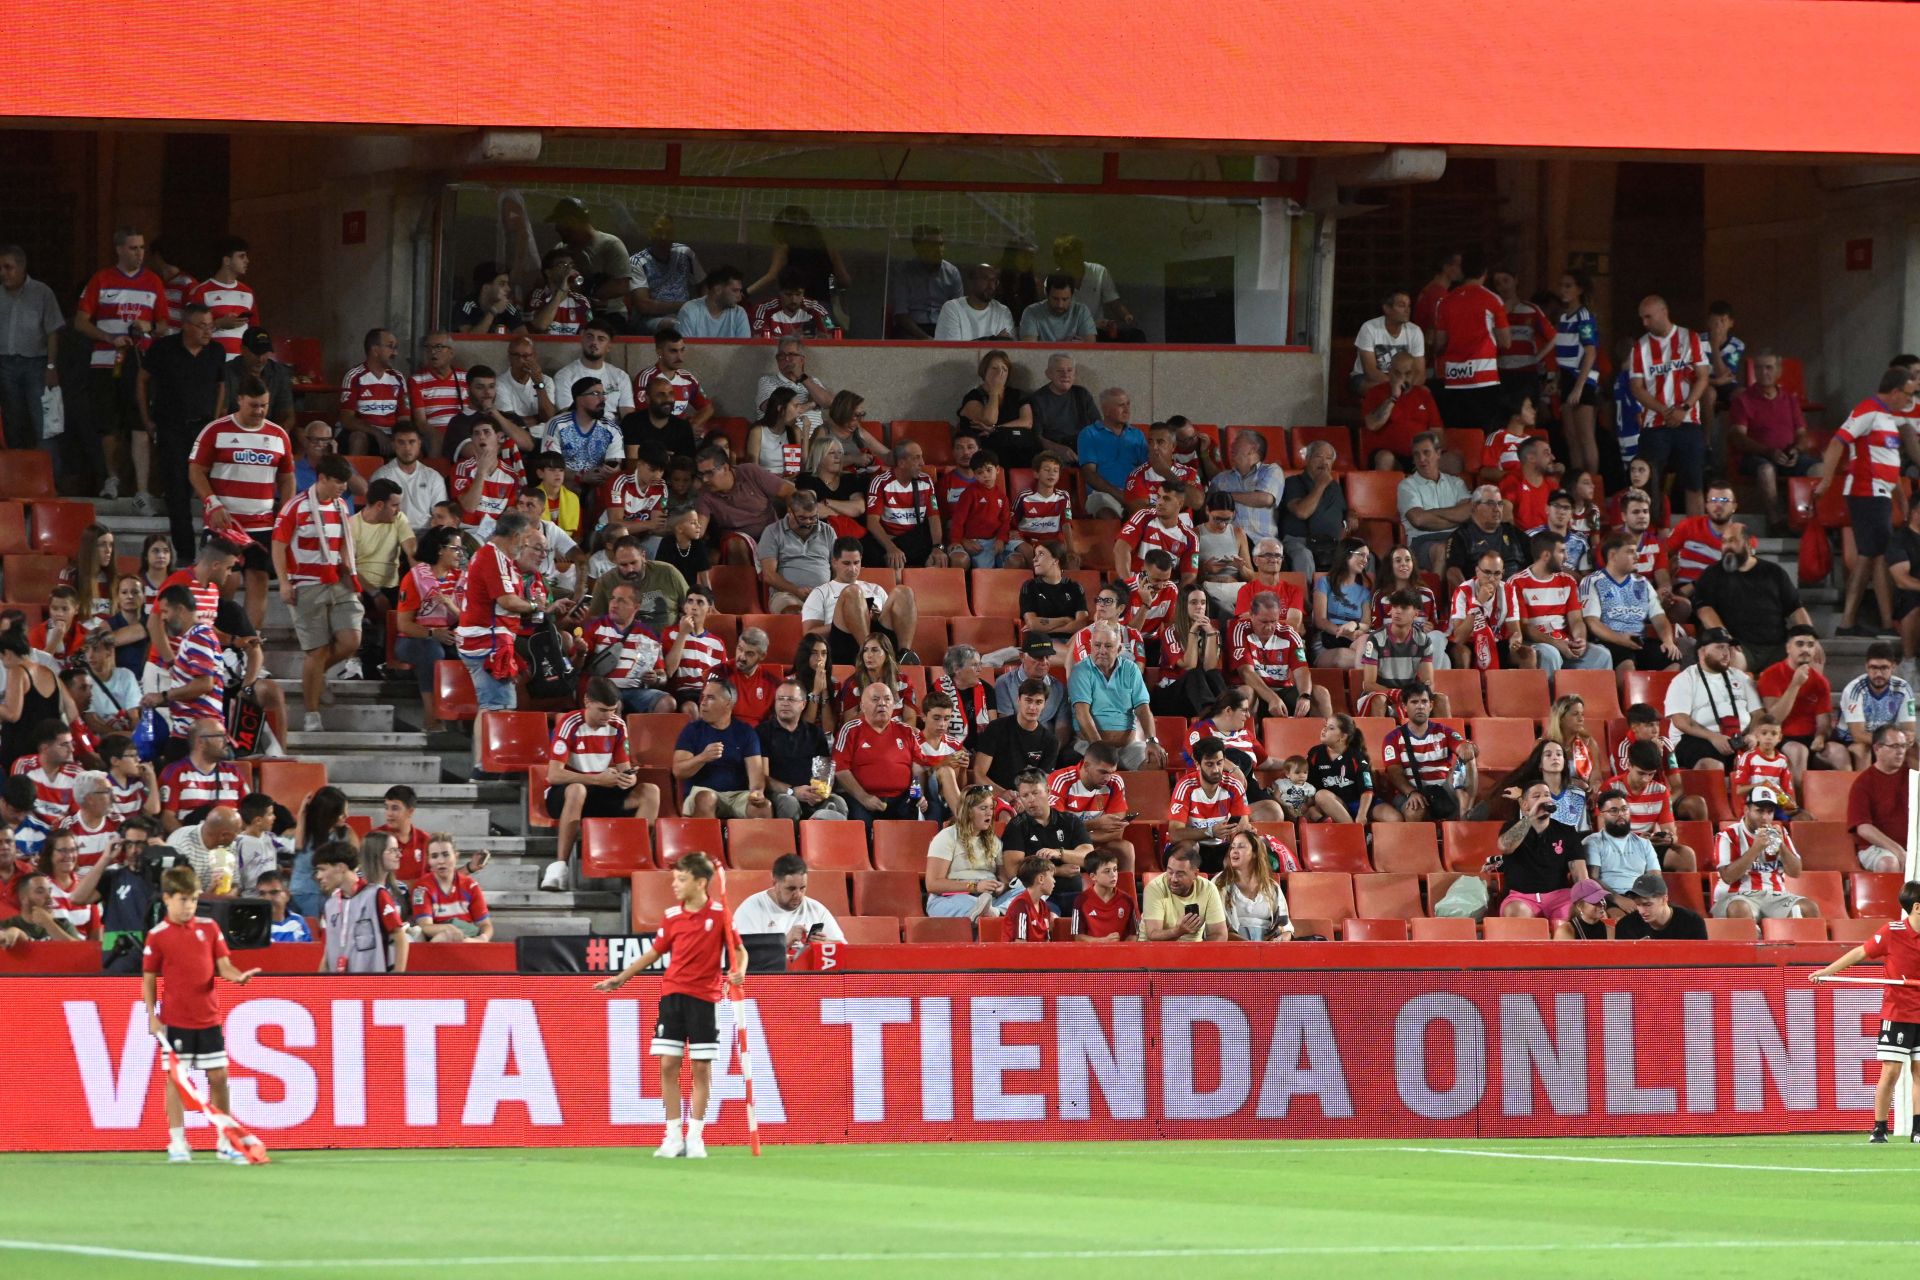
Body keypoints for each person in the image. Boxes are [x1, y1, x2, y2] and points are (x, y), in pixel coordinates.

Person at [591, 851, 744, 1160]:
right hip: (673, 995)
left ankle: (696, 1136)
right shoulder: (672, 916)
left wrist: (739, 971)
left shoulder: (719, 915)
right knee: (667, 1064)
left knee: (701, 1068)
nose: (675, 884)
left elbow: (739, 950)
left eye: (682, 879)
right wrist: (621, 979)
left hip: (706, 999)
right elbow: (653, 954)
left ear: (701, 883)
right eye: (675, 878)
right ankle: (672, 1135)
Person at [142, 865, 261, 1163]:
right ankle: (178, 1141)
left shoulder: (209, 928)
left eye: (193, 900)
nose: (189, 906)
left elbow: (224, 965)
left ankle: (225, 1140)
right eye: (183, 899)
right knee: (176, 1079)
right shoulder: (158, 936)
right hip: (176, 1020)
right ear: (167, 899)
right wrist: (152, 1015)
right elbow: (149, 978)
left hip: (208, 1017)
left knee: (219, 1076)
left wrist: (237, 977)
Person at [1809, 882, 1920, 1143]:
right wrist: (1828, 971)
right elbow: (1861, 952)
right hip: (1898, 1013)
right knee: (1891, 1071)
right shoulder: (1892, 933)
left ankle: (1918, 1129)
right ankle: (1879, 1128)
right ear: (1917, 907)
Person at [74, 228, 168, 499]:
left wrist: (147, 325)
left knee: (140, 424)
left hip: (140, 365)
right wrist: (108, 337)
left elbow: (164, 325)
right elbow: (81, 321)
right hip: (105, 362)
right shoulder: (101, 279)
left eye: (141, 248)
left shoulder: (153, 281)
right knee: (108, 425)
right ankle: (112, 479)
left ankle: (141, 489)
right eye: (133, 248)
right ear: (119, 250)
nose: (139, 253)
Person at [271, 454, 362, 733]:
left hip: (337, 579)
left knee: (351, 641)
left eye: (345, 483)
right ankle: (312, 714)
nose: (343, 488)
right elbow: (278, 545)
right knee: (317, 651)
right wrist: (284, 582)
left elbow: (343, 540)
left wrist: (349, 565)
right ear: (321, 478)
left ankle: (316, 675)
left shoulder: (341, 506)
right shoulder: (295, 507)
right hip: (306, 583)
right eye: (337, 482)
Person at [1818, 369, 1912, 638]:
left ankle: (1854, 622)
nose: (1908, 400)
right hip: (1866, 492)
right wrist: (1826, 480)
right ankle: (1877, 622)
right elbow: (1838, 442)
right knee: (1876, 555)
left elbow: (1889, 466)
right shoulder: (1868, 410)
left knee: (1870, 557)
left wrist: (1901, 500)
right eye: (1907, 394)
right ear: (1894, 391)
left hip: (1880, 493)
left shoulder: (1886, 417)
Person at [139, 303, 228, 525]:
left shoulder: (217, 351)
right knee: (175, 485)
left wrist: (216, 421)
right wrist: (146, 418)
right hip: (171, 426)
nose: (208, 331)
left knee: (196, 483)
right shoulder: (163, 349)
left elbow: (221, 385)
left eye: (211, 326)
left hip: (203, 427)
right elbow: (141, 380)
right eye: (202, 326)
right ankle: (184, 549)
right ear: (186, 326)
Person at [1628, 295, 1711, 516]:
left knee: (1694, 483)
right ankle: (1648, 538)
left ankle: (1697, 539)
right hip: (1655, 424)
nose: (1644, 323)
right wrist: (1665, 411)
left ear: (1664, 312)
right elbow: (1636, 387)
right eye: (1642, 318)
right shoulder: (1640, 347)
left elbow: (1703, 377)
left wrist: (1684, 407)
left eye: (1648, 317)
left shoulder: (1690, 338)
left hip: (1688, 421)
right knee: (1649, 482)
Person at [456, 511, 539, 713]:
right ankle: (484, 746)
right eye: (526, 538)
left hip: (485, 638)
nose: (526, 544)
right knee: (497, 712)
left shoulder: (492, 555)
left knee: (492, 710)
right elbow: (507, 601)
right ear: (515, 536)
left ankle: (481, 746)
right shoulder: (493, 557)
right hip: (487, 641)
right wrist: (535, 606)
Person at [802, 536, 921, 667]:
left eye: (856, 563)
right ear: (834, 562)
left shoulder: (876, 589)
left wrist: (875, 617)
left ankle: (904, 654)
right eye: (846, 563)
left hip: (878, 638)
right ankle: (866, 651)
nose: (852, 569)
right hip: (843, 641)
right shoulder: (821, 592)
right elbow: (809, 635)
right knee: (853, 592)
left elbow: (892, 620)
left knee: (903, 591)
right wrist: (850, 619)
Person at [1728, 350, 1817, 524]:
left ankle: (1811, 522)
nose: (1764, 372)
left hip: (1787, 456)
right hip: (1756, 457)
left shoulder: (1790, 400)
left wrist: (1796, 450)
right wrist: (1768, 452)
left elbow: (1802, 434)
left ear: (1778, 371)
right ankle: (1775, 522)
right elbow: (1738, 437)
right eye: (1759, 368)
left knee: (1819, 469)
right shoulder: (1743, 400)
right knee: (1766, 470)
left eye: (1769, 368)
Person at [1509, 531, 1612, 677]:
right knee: (1550, 654)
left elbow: (1576, 620)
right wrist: (1556, 644)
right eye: (1562, 552)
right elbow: (1524, 628)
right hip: (1533, 643)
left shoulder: (1568, 581)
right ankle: (1551, 699)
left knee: (1602, 655)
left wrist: (1579, 639)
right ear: (1546, 556)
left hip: (1563, 642)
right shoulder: (1517, 582)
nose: (1567, 557)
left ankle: (1591, 699)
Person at [1581, 530, 1683, 673]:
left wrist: (1668, 641)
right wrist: (1621, 639)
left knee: (1672, 658)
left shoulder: (1642, 582)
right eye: (1630, 552)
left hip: (1637, 641)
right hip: (1609, 641)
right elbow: (1592, 623)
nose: (1637, 557)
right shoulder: (1592, 581)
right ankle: (1628, 694)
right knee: (1627, 664)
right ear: (1612, 556)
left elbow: (1659, 617)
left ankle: (1661, 695)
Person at [1708, 786, 1814, 921]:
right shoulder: (1728, 835)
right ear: (1746, 810)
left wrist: (1781, 845)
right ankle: (1754, 937)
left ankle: (1784, 939)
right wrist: (1755, 849)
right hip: (1736, 896)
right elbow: (1728, 877)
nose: (1765, 817)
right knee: (1739, 909)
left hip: (1774, 896)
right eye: (1759, 811)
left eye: (1770, 812)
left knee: (1809, 908)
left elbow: (1796, 872)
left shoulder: (1780, 833)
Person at [1430, 251, 1510, 429]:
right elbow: (1506, 341)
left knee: (1458, 433)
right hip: (1484, 377)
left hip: (1454, 377)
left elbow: (1439, 343)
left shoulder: (1445, 302)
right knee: (1484, 434)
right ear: (1485, 273)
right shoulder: (1492, 299)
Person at [1068, 621, 1164, 771]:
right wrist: (1099, 748)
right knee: (1100, 767)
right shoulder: (1081, 671)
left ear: (1119, 649)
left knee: (1156, 762)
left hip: (1128, 746)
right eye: (1097, 645)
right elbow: (1082, 714)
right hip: (1091, 743)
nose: (1102, 651)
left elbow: (1143, 709)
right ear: (1090, 646)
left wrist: (1152, 740)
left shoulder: (1131, 669)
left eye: (1108, 646)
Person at [672, 679, 771, 820]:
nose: (703, 702)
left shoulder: (746, 732)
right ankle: (706, 842)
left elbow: (756, 776)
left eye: (710, 698)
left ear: (728, 704)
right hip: (703, 792)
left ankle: (753, 843)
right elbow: (678, 771)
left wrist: (758, 792)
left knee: (763, 807)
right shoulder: (692, 730)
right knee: (707, 799)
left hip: (737, 795)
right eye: (703, 697)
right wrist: (702, 757)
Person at [0, 244, 64, 460]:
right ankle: (16, 481)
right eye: (0, 268)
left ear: (22, 267)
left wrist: (51, 366)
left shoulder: (42, 292)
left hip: (35, 364)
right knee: (12, 423)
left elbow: (53, 332)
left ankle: (51, 481)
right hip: (5, 365)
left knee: (44, 423)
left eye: (8, 267)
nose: (3, 273)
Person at [1376, 684, 1476, 823]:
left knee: (1469, 757)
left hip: (1443, 790)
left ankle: (1466, 812)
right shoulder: (1392, 738)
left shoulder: (1444, 731)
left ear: (1431, 705)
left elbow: (1465, 747)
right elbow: (1394, 773)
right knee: (1415, 808)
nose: (1420, 706)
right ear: (1404, 707)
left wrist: (1468, 748)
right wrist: (1411, 792)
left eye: (1424, 702)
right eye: (1414, 702)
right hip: (1409, 793)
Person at [1495, 782, 1590, 925]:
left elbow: (1580, 875)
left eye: (1547, 795)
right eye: (1537, 796)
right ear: (1525, 805)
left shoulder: (1567, 832)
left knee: (1569, 918)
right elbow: (1505, 846)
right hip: (1522, 897)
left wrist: (1587, 901)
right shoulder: (1511, 827)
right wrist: (1531, 816)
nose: (1543, 800)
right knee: (1516, 915)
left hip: (1560, 897)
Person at [924, 784, 1018, 919]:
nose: (989, 813)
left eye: (991, 808)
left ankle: (995, 912)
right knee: (971, 902)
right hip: (951, 899)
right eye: (983, 808)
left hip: (989, 898)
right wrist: (975, 886)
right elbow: (933, 884)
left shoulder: (994, 841)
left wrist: (1001, 887)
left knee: (1027, 892)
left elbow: (1003, 879)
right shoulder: (946, 837)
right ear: (968, 811)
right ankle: (988, 911)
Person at [833, 682, 919, 828]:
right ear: (862, 706)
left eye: (887, 699)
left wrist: (916, 795)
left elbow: (918, 769)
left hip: (902, 798)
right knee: (861, 821)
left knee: (916, 814)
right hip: (861, 798)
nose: (882, 704)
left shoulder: (907, 731)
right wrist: (864, 797)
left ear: (894, 705)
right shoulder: (850, 730)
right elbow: (840, 769)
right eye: (875, 699)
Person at [757, 680, 847, 821]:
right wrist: (793, 791)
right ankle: (795, 842)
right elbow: (762, 777)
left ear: (803, 704)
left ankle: (825, 842)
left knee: (838, 802)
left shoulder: (815, 733)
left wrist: (819, 792)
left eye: (791, 699)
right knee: (789, 803)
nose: (785, 703)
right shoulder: (762, 732)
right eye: (780, 699)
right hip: (781, 794)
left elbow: (824, 771)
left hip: (811, 793)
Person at [543, 197, 633, 325]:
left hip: (608, 315)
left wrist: (586, 296)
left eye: (559, 222)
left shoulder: (610, 245)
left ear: (571, 221)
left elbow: (622, 285)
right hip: (569, 314)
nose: (557, 228)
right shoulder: (561, 250)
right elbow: (547, 280)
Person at [1397, 432, 1473, 575]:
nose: (1422, 459)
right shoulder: (1407, 486)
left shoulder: (1456, 483)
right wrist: (1456, 518)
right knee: (1442, 550)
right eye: (1416, 455)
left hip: (1457, 537)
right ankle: (1435, 596)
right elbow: (1419, 520)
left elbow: (1468, 513)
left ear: (1438, 453)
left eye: (1426, 453)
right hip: (1422, 541)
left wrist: (1433, 513)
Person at [733, 852, 845, 946]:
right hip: (771, 972)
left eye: (802, 888)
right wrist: (784, 942)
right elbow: (743, 955)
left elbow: (843, 946)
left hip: (809, 971)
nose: (798, 895)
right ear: (775, 883)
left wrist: (827, 945)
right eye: (791, 889)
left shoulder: (816, 910)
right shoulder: (751, 909)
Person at [1551, 270, 1602, 476]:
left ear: (1579, 289)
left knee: (1585, 436)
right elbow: (1561, 351)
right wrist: (1556, 379)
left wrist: (1579, 387)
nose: (1563, 290)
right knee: (1571, 436)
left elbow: (1590, 352)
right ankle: (1577, 481)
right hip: (1566, 376)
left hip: (1582, 378)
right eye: (1562, 285)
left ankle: (1593, 484)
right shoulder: (1563, 317)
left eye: (1568, 286)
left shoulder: (1585, 316)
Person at [1580, 789, 1662, 910]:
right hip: (1609, 899)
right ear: (1602, 814)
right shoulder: (1593, 842)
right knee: (1620, 919)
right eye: (1614, 810)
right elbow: (1592, 878)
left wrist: (1647, 900)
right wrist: (1618, 899)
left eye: (1624, 809)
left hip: (1640, 896)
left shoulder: (1644, 844)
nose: (1621, 814)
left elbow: (1655, 877)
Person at [1839, 644, 1918, 770]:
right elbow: (1858, 734)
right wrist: (1890, 743)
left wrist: (1905, 739)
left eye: (1884, 668)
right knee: (1862, 750)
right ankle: (1864, 788)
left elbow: (1909, 729)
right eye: (1873, 668)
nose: (1878, 673)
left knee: (1914, 749)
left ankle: (1915, 789)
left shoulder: (1903, 688)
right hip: (1850, 741)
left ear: (1893, 667)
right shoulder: (1855, 689)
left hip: (1887, 741)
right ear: (1866, 667)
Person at [1279, 441, 1350, 577]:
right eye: (1318, 457)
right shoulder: (1293, 482)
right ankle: (1306, 597)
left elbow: (1344, 511)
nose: (1324, 463)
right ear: (1307, 459)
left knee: (1361, 554)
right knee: (1303, 557)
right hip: (1299, 541)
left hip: (1330, 543)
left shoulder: (1335, 487)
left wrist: (1351, 515)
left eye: (1328, 459)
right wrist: (1320, 485)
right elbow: (1302, 512)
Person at [1360, 352, 1440, 471]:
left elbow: (1437, 431)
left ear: (1414, 374)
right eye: (1397, 373)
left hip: (1418, 456)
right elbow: (1372, 424)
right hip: (1387, 454)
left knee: (1452, 461)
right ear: (1390, 372)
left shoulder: (1424, 395)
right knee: (1385, 459)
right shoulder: (1375, 393)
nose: (1402, 378)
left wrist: (1430, 455)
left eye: (1407, 373)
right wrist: (1393, 397)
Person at [1076, 389, 1148, 519]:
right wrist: (1120, 496)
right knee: (1107, 514)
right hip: (1103, 494)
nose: (1127, 409)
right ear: (1106, 410)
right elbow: (1089, 474)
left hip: (1133, 493)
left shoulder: (1137, 435)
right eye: (1121, 405)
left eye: (1128, 404)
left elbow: (1146, 470)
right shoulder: (1089, 433)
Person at [957, 350, 1037, 467]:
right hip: (986, 452)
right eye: (994, 368)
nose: (1000, 373)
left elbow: (1027, 422)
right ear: (984, 371)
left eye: (1004, 369)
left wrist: (996, 429)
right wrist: (994, 391)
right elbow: (989, 420)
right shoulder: (973, 396)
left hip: (1015, 448)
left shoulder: (1017, 394)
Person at [626, 214, 706, 331]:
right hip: (650, 320)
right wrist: (685, 306)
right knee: (676, 325)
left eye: (668, 233)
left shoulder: (685, 253)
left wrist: (705, 310)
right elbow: (644, 305)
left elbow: (704, 286)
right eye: (658, 232)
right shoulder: (637, 262)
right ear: (650, 234)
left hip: (685, 315)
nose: (663, 237)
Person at [1850, 726, 1913, 873]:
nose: (1900, 752)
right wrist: (1898, 850)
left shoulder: (1913, 776)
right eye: (1894, 746)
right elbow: (1863, 827)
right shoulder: (1863, 783)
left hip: (1912, 845)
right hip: (1876, 847)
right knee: (1889, 863)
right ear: (1877, 748)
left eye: (1903, 746)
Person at [411, 835, 493, 943]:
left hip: (469, 940)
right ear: (428, 861)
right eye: (434, 856)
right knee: (444, 937)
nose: (440, 861)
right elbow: (425, 926)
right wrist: (448, 929)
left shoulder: (471, 885)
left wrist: (481, 939)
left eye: (446, 855)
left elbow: (485, 925)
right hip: (438, 941)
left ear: (456, 856)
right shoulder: (421, 888)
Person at [1139, 847, 1228, 941]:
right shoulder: (1154, 888)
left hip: (1193, 951)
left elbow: (1219, 934)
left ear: (1195, 874)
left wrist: (1206, 955)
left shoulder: (1208, 889)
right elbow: (1153, 934)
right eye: (1170, 872)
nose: (1173, 879)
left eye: (1180, 874)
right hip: (1154, 950)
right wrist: (1177, 931)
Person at [1309, 538, 1371, 665]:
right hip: (1327, 642)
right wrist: (1342, 632)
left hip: (1353, 641)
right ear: (1346, 554)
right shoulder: (1325, 583)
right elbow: (1320, 621)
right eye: (1361, 555)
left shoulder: (1364, 592)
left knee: (1365, 644)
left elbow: (1366, 623)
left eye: (1367, 557)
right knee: (1344, 656)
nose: (1365, 560)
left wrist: (1355, 625)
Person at [1018, 542, 1088, 651]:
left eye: (1040, 554)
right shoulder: (1030, 586)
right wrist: (1065, 620)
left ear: (1055, 560)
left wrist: (1045, 627)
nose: (1034, 559)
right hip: (1042, 642)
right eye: (1035, 555)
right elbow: (1033, 624)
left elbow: (1081, 624)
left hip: (1072, 641)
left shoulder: (1074, 587)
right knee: (1074, 655)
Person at [1352, 288, 1425, 392]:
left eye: (1408, 306)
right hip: (1366, 377)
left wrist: (1407, 386)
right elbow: (1370, 371)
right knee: (1379, 389)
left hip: (1403, 379)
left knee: (1424, 391)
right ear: (1387, 309)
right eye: (1401, 305)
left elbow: (1420, 372)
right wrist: (1396, 385)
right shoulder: (1369, 328)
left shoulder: (1415, 331)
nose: (1407, 310)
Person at [1305, 714, 1374, 824]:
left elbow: (1367, 791)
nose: (1324, 730)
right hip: (1331, 803)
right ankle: (1355, 833)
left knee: (1392, 817)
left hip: (1357, 803)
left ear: (1343, 736)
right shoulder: (1315, 753)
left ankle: (1359, 832)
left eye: (1331, 728)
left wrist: (1361, 815)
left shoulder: (1356, 757)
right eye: (1325, 726)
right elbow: (1308, 785)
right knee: (1320, 797)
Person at [1612, 869, 1709, 940]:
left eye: (1648, 904)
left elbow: (1700, 961)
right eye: (1638, 905)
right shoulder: (1626, 926)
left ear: (1664, 899)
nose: (1641, 911)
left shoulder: (1692, 922)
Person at [933, 262, 1014, 341]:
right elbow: (953, 350)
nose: (991, 286)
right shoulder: (952, 308)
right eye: (985, 279)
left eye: (994, 281)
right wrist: (994, 340)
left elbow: (1006, 349)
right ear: (972, 281)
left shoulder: (1003, 311)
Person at [1068, 850, 1137, 941]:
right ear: (1093, 876)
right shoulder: (1081, 900)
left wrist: (1121, 951)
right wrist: (1103, 941)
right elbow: (1078, 937)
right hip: (1092, 953)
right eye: (1107, 871)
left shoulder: (1127, 900)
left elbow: (1134, 934)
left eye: (1115, 869)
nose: (1113, 875)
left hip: (1120, 953)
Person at [752, 269, 835, 340]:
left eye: (798, 294)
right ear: (779, 291)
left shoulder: (817, 308)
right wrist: (790, 339)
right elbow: (757, 340)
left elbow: (831, 337)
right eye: (788, 294)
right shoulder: (763, 309)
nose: (793, 300)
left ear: (804, 292)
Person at [673, 266, 750, 339]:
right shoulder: (689, 311)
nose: (739, 297)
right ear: (718, 290)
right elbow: (681, 350)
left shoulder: (739, 313)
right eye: (735, 291)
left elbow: (744, 350)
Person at [255, 870, 313, 944]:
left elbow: (308, 953)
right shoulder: (253, 925)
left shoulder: (298, 921)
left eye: (274, 892)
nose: (267, 898)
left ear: (287, 895)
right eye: (262, 893)